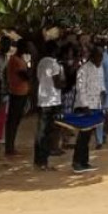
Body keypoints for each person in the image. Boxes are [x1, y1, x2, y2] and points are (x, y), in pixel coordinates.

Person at [72, 45, 106, 172]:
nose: (101, 59)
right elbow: (80, 89)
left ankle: (84, 162)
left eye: (102, 57)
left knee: (87, 137)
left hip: (95, 106)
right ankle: (77, 163)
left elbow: (101, 85)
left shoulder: (99, 68)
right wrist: (85, 106)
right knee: (82, 136)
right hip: (84, 107)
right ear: (93, 56)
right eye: (99, 56)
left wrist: (102, 100)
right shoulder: (83, 70)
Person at [33, 41, 63, 170]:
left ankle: (38, 160)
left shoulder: (41, 63)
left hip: (42, 99)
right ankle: (43, 161)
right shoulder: (53, 64)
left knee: (41, 131)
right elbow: (57, 83)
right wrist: (64, 81)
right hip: (52, 100)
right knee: (47, 132)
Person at [4, 39, 31, 156]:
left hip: (21, 92)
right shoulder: (16, 60)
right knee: (13, 121)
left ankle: (10, 145)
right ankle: (9, 147)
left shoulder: (19, 60)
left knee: (15, 121)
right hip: (17, 93)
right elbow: (25, 76)